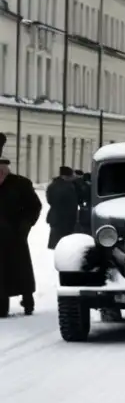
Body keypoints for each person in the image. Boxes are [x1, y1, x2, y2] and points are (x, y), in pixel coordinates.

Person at [0, 135, 43, 317]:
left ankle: (28, 299)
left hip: (15, 235)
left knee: (20, 271)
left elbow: (34, 206)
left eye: (1, 170)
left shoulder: (20, 184)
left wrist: (24, 226)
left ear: (6, 169)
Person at [45, 166, 80, 248]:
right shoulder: (67, 187)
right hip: (65, 220)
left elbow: (50, 200)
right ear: (66, 176)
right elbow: (71, 203)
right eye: (71, 176)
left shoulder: (53, 185)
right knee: (64, 245)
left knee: (58, 245)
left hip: (56, 218)